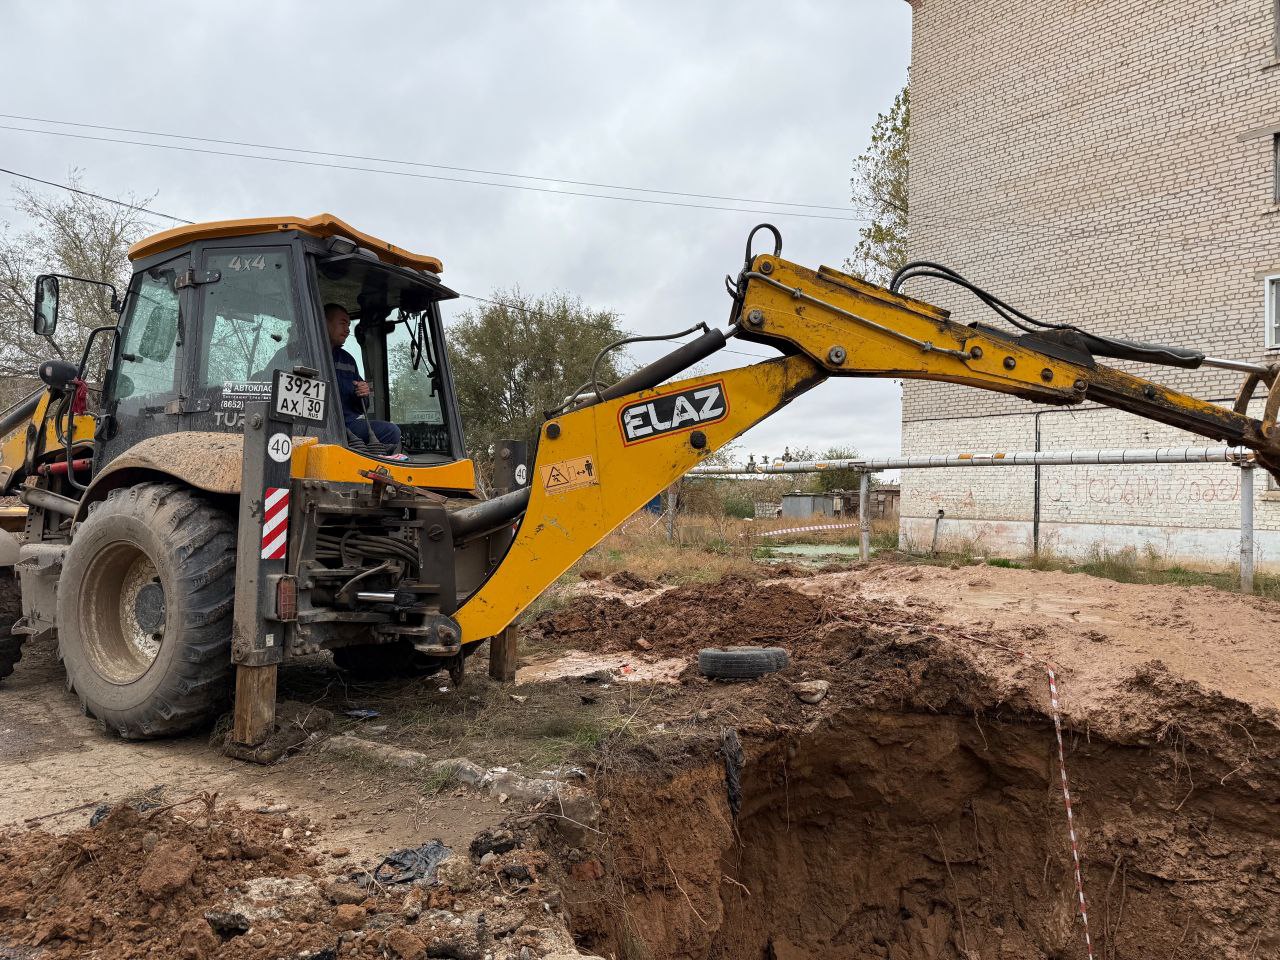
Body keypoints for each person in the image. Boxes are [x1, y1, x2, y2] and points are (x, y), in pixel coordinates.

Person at [325, 303, 402, 450]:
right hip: (311, 425)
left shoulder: (347, 360)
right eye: (342, 324)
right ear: (324, 322)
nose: (347, 330)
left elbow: (362, 407)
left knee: (391, 431)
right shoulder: (293, 354)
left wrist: (362, 393)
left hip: (346, 424)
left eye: (348, 325)